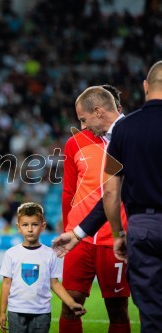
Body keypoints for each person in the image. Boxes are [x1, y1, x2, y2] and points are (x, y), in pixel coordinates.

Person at [57, 85, 131, 333]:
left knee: (118, 311)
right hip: (80, 239)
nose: (82, 124)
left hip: (114, 240)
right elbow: (68, 191)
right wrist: (70, 229)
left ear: (100, 111)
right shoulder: (74, 144)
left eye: (83, 118)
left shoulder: (128, 138)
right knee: (70, 305)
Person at [103, 60, 162, 332]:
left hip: (143, 227)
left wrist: (118, 234)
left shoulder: (124, 130)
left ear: (145, 86)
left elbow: (111, 190)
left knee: (151, 312)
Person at [0, 202, 85, 333]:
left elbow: (55, 283)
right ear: (18, 227)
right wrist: (2, 312)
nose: (30, 229)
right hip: (16, 311)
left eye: (35, 224)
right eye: (25, 225)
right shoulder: (11, 253)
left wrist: (71, 303)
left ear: (43, 226)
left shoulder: (50, 254)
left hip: (42, 312)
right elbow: (6, 284)